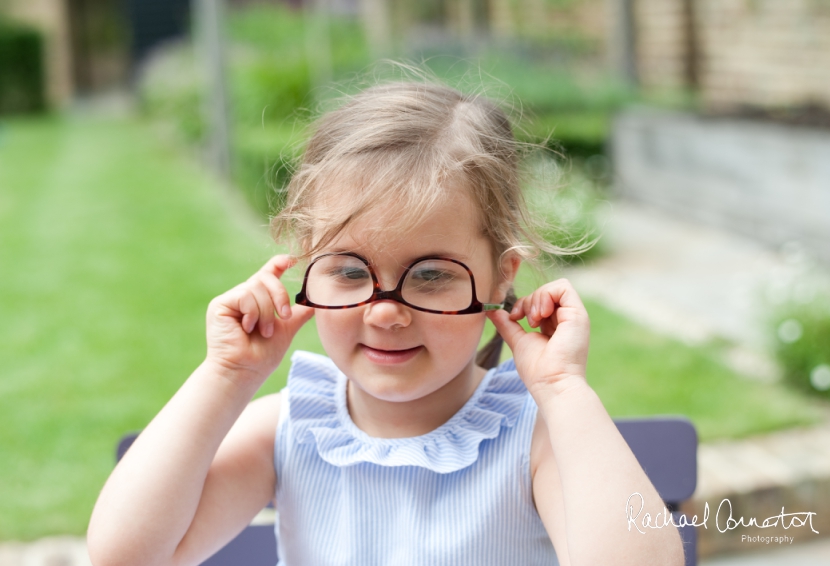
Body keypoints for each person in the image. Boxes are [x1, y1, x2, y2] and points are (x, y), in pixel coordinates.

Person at [88, 78, 685, 566]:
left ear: (501, 279)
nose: (385, 313)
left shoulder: (534, 442)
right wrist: (226, 376)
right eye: (348, 271)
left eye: (430, 275)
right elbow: (126, 556)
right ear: (304, 269)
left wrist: (563, 391)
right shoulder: (290, 430)